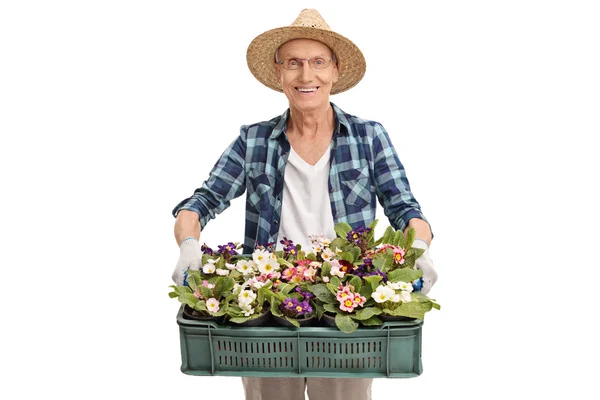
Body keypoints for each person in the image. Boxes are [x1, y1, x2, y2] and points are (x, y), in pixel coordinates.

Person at [171, 8, 438, 400]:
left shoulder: (368, 137)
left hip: (348, 299)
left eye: (317, 62)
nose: (306, 75)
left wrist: (419, 249)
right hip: (270, 302)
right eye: (293, 63)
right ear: (279, 73)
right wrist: (188, 245)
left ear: (334, 70)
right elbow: (203, 201)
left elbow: (404, 207)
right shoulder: (254, 141)